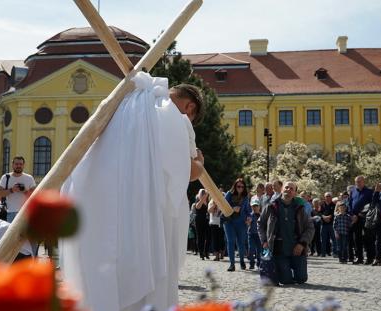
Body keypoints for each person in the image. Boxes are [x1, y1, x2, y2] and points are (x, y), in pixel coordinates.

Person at [59, 75, 205, 311]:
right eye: (191, 116)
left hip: (105, 207)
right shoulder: (173, 117)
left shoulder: (123, 105)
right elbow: (185, 171)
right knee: (147, 279)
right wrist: (199, 163)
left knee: (110, 269)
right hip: (147, 214)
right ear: (190, 107)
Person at [258, 181, 315, 285]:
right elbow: (260, 224)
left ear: (295, 193)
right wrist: (264, 241)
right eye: (286, 187)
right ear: (282, 189)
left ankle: (293, 270)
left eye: (291, 189)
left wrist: (302, 244)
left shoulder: (300, 208)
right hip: (279, 250)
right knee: (286, 280)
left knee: (301, 279)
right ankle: (283, 271)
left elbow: (310, 228)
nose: (288, 190)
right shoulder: (271, 207)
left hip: (296, 248)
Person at [0, 156, 36, 223]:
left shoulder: (29, 178)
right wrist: (12, 190)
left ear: (23, 165)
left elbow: (35, 196)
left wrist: (25, 191)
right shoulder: (6, 177)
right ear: (12, 165)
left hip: (26, 212)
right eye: (16, 164)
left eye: (20, 164)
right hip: (10, 212)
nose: (18, 166)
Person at [223, 178, 251, 272]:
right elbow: (223, 206)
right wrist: (232, 208)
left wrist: (249, 217)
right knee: (230, 242)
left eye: (242, 187)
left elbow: (248, 210)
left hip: (241, 223)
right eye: (238, 186)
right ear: (235, 186)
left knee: (241, 243)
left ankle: (242, 260)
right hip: (229, 222)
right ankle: (232, 264)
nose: (240, 188)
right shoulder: (229, 194)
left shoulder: (246, 197)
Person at [348, 176, 373, 265]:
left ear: (363, 182)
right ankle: (359, 257)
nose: (357, 183)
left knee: (367, 238)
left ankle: (370, 258)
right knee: (356, 238)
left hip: (365, 218)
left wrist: (360, 213)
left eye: (359, 181)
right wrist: (352, 214)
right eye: (356, 182)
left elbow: (371, 205)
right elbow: (350, 204)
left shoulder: (369, 192)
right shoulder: (353, 191)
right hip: (355, 218)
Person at [192, 189, 210, 260]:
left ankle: (206, 252)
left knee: (208, 237)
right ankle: (201, 253)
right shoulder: (198, 199)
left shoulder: (209, 200)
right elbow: (197, 207)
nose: (204, 194)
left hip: (207, 220)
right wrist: (202, 199)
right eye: (202, 193)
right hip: (199, 220)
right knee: (200, 237)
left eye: (205, 193)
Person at [320, 192, 337, 257]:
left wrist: (329, 216)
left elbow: (335, 213)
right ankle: (323, 253)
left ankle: (335, 253)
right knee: (323, 239)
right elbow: (320, 213)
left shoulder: (334, 205)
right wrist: (324, 217)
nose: (328, 197)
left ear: (331, 197)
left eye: (329, 196)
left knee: (334, 239)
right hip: (323, 224)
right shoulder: (322, 205)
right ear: (324, 197)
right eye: (326, 196)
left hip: (332, 224)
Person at [248, 198, 262, 270]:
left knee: (259, 250)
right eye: (253, 206)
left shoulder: (262, 215)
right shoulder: (250, 215)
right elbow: (247, 224)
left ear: (259, 206)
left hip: (259, 235)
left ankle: (259, 263)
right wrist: (248, 222)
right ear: (251, 207)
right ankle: (252, 263)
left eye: (256, 206)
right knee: (251, 249)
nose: (255, 207)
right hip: (251, 234)